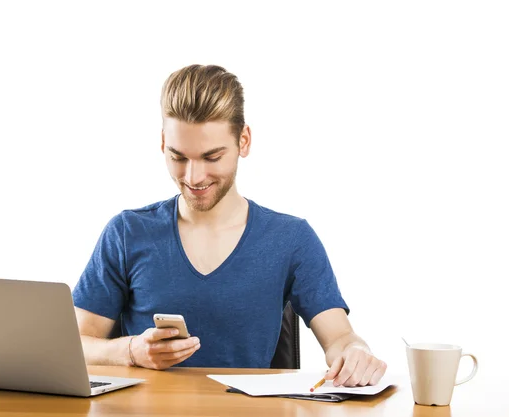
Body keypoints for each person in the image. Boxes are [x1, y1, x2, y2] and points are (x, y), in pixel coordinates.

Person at [73, 64, 387, 387]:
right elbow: (75, 344)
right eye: (179, 157)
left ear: (244, 141)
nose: (193, 177)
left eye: (212, 157)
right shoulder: (126, 233)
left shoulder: (292, 240)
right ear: (163, 142)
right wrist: (131, 350)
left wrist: (356, 352)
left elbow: (340, 338)